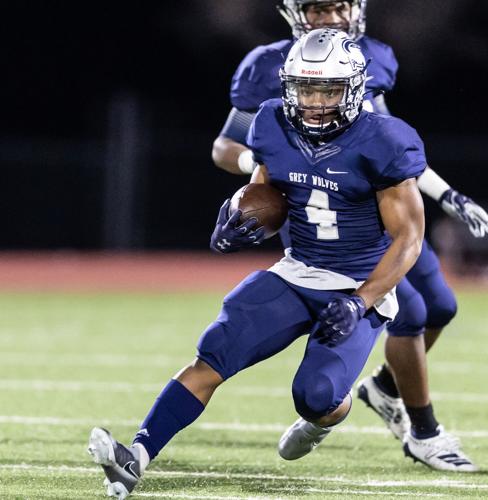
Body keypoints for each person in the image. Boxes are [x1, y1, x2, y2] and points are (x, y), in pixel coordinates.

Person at [89, 29, 435, 498]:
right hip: (297, 271)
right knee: (214, 350)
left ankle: (325, 418)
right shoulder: (273, 122)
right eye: (305, 88)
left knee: (315, 398)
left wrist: (360, 302)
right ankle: (137, 457)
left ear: (354, 89)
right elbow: (266, 191)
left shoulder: (385, 141)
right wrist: (237, 217)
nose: (314, 101)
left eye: (328, 90)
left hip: (358, 283)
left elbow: (409, 240)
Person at [212, 0, 486, 471]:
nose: (329, 19)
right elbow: (224, 145)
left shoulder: (370, 58)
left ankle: (383, 389)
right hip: (329, 217)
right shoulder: (266, 66)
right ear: (296, 14)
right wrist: (267, 171)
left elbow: (388, 147)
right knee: (411, 311)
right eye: (317, 8)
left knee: (441, 305)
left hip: (377, 204)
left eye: (338, 7)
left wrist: (448, 196)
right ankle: (425, 432)